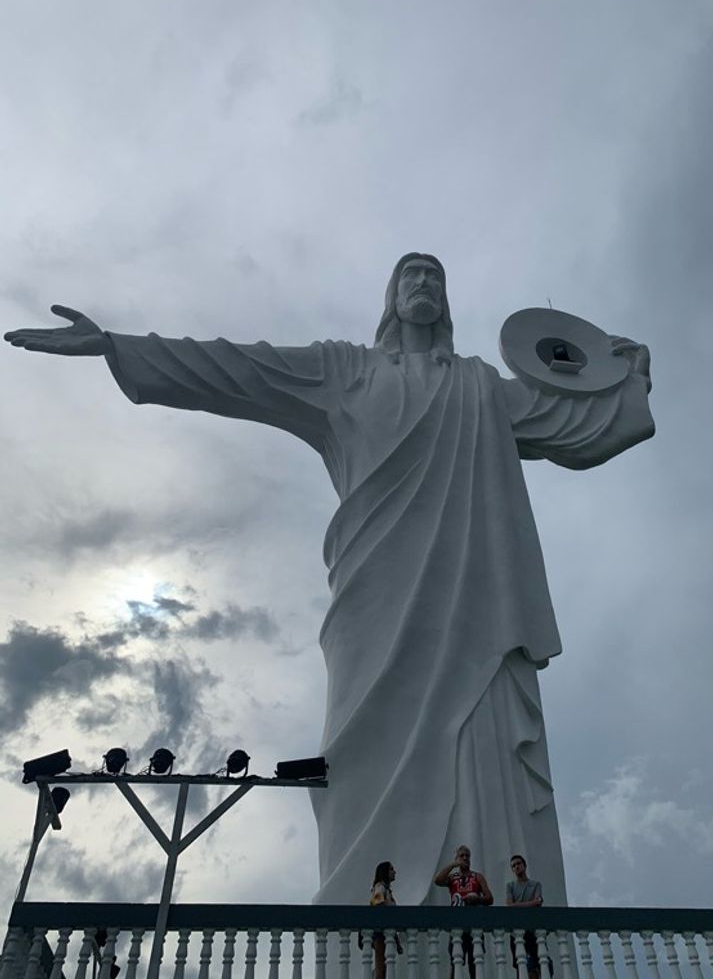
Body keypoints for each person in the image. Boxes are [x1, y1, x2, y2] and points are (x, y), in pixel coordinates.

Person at [4, 255, 654, 905]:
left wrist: (621, 373)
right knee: (365, 754)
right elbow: (237, 368)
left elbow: (578, 427)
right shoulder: (343, 371)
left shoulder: (481, 387)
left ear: (446, 301)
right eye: (412, 276)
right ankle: (372, 934)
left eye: (434, 277)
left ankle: (505, 932)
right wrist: (116, 345)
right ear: (392, 296)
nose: (423, 285)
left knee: (480, 732)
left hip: (476, 596)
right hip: (377, 592)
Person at [434, 845, 493, 979]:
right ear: (457, 858)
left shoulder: (477, 876)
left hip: (474, 925)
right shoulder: (452, 878)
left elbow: (490, 898)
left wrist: (477, 899)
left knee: (475, 964)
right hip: (457, 925)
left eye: (467, 856)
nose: (465, 858)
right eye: (462, 855)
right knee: (455, 963)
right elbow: (437, 880)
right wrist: (454, 865)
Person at [506, 855, 552, 978]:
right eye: (514, 865)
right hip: (517, 933)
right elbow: (510, 905)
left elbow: (538, 903)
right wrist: (531, 903)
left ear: (524, 866)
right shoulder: (510, 886)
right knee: (524, 966)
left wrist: (520, 905)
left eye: (519, 864)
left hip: (533, 931)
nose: (517, 867)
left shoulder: (536, 884)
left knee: (543, 965)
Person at [369, 861, 401, 979]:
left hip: (383, 932)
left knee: (384, 964)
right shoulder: (381, 886)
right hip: (380, 932)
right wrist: (388, 904)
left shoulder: (384, 888)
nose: (394, 872)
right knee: (380, 966)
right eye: (391, 869)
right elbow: (376, 900)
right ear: (385, 872)